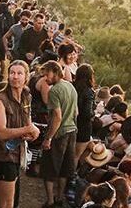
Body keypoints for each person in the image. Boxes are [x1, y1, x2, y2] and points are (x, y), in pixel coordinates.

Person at [0, 60, 40, 208]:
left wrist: (29, 133)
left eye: (19, 73)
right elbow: (1, 133)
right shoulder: (0, 100)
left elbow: (26, 123)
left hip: (17, 154)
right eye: (12, 73)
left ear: (26, 77)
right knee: (7, 204)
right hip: (2, 156)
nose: (15, 77)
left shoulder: (26, 97)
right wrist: (28, 129)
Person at [40, 61, 79, 207]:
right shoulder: (71, 86)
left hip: (59, 134)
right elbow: (76, 112)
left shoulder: (54, 91)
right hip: (72, 131)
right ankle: (59, 198)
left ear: (56, 72)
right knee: (65, 169)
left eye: (47, 73)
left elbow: (57, 117)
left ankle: (50, 201)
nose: (45, 77)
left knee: (49, 168)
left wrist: (48, 138)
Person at [73, 64, 96, 165]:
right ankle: (70, 178)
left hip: (72, 122)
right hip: (83, 127)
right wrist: (94, 113)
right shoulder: (89, 92)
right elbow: (87, 113)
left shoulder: (72, 86)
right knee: (76, 156)